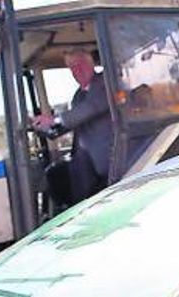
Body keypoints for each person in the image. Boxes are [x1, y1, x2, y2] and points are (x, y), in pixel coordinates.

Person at [32, 48, 113, 203]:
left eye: (80, 65)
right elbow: (75, 121)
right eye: (73, 68)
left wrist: (55, 120)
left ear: (91, 65)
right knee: (55, 175)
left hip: (111, 159)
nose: (77, 71)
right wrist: (47, 126)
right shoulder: (78, 95)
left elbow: (91, 108)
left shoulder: (104, 83)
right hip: (86, 161)